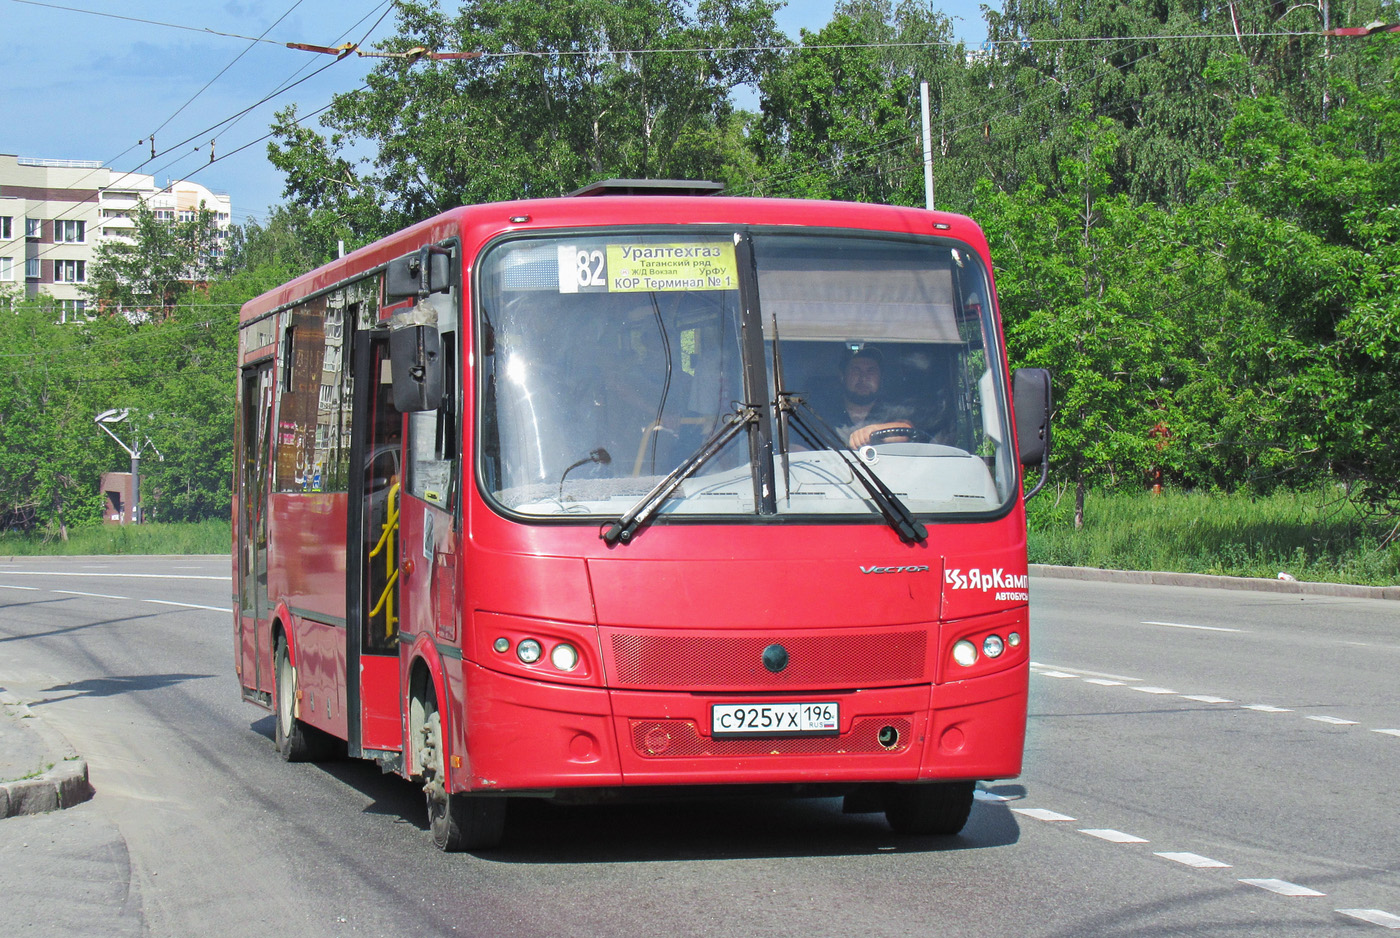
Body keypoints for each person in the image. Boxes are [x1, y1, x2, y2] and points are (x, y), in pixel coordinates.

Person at [831, 346, 915, 447]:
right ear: (842, 376)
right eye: (856, 370)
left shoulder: (892, 409)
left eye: (871, 371)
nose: (863, 378)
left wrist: (876, 431)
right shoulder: (826, 410)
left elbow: (908, 430)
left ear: (881, 377)